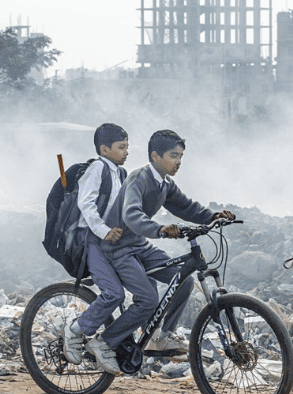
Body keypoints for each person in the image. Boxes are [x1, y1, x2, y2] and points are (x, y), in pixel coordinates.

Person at [69, 129, 234, 375]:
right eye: (173, 155)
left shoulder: (165, 183)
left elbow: (186, 207)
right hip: (118, 248)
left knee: (183, 280)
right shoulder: (139, 178)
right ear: (155, 156)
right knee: (148, 300)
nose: (178, 161)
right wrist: (160, 229)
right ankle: (103, 342)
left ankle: (161, 337)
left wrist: (213, 216)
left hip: (139, 246)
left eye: (181, 156)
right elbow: (132, 215)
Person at [62, 123, 129, 374]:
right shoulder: (97, 168)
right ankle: (75, 331)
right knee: (114, 294)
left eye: (127, 147)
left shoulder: (120, 173)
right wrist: (103, 231)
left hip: (113, 242)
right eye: (121, 147)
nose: (126, 152)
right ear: (104, 149)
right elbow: (86, 204)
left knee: (147, 289)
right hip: (93, 241)